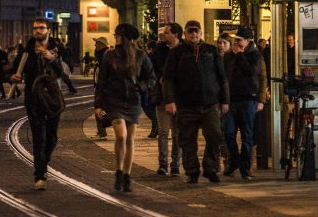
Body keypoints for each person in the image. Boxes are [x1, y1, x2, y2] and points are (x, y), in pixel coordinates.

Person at [161, 19, 229, 184]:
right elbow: (168, 79)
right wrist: (170, 100)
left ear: (201, 33)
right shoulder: (177, 53)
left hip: (210, 103)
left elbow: (222, 77)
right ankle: (192, 171)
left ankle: (210, 168)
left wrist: (225, 100)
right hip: (186, 104)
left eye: (196, 31)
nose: (193, 34)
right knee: (187, 139)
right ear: (185, 34)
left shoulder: (211, 51)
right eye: (190, 32)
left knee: (215, 134)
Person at [11, 18, 71, 190]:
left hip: (53, 98)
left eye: (41, 28)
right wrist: (13, 77)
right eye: (35, 28)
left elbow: (65, 74)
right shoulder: (27, 51)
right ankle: (40, 174)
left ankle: (43, 162)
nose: (38, 31)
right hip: (33, 97)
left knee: (52, 137)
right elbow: (15, 71)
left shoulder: (58, 50)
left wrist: (52, 59)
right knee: (39, 137)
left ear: (48, 31)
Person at [94, 24, 155, 192]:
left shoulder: (140, 55)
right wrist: (98, 105)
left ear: (126, 37)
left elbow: (151, 78)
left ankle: (126, 175)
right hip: (114, 101)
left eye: (118, 35)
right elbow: (102, 81)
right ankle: (119, 170)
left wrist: (141, 86)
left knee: (130, 139)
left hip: (133, 102)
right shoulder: (109, 56)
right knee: (121, 135)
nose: (115, 37)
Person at [223, 26, 267, 180]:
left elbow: (253, 73)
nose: (236, 42)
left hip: (248, 100)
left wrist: (261, 99)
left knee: (247, 136)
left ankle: (245, 168)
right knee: (228, 132)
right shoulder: (228, 56)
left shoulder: (255, 55)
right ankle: (234, 160)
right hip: (231, 100)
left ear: (248, 41)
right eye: (235, 40)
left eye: (239, 40)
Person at [150, 23, 182, 175]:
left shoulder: (183, 50)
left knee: (177, 133)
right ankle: (163, 164)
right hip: (162, 96)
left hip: (180, 98)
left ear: (176, 34)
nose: (164, 35)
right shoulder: (160, 49)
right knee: (163, 131)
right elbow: (153, 69)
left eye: (167, 32)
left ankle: (175, 164)